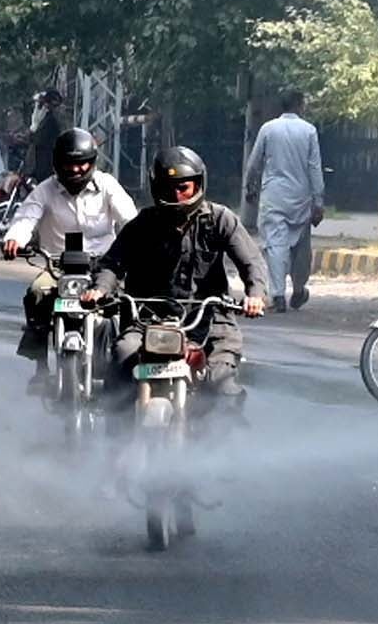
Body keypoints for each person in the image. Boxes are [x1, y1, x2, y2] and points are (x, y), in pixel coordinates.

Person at [86, 145, 267, 399]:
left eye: (184, 187)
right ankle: (113, 435)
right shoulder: (142, 225)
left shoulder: (220, 220)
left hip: (209, 321)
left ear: (197, 185)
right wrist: (100, 289)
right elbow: (113, 264)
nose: (177, 194)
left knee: (220, 383)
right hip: (147, 321)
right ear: (156, 187)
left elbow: (252, 262)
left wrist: (255, 294)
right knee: (123, 359)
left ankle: (229, 436)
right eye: (169, 187)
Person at [0, 127, 139, 381]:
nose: (75, 170)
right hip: (58, 268)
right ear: (57, 164)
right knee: (37, 293)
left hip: (105, 267)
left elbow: (131, 221)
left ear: (92, 163)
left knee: (130, 301)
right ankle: (40, 366)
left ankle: (127, 365)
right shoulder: (44, 190)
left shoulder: (107, 186)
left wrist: (140, 244)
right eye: (69, 164)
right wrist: (14, 240)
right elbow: (25, 218)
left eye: (82, 164)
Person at [245, 88, 325, 313]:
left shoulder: (268, 129)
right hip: (301, 197)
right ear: (299, 105)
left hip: (274, 195)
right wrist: (318, 201)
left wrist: (250, 187)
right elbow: (314, 167)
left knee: (275, 245)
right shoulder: (309, 131)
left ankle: (278, 294)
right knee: (301, 246)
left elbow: (254, 163)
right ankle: (299, 288)